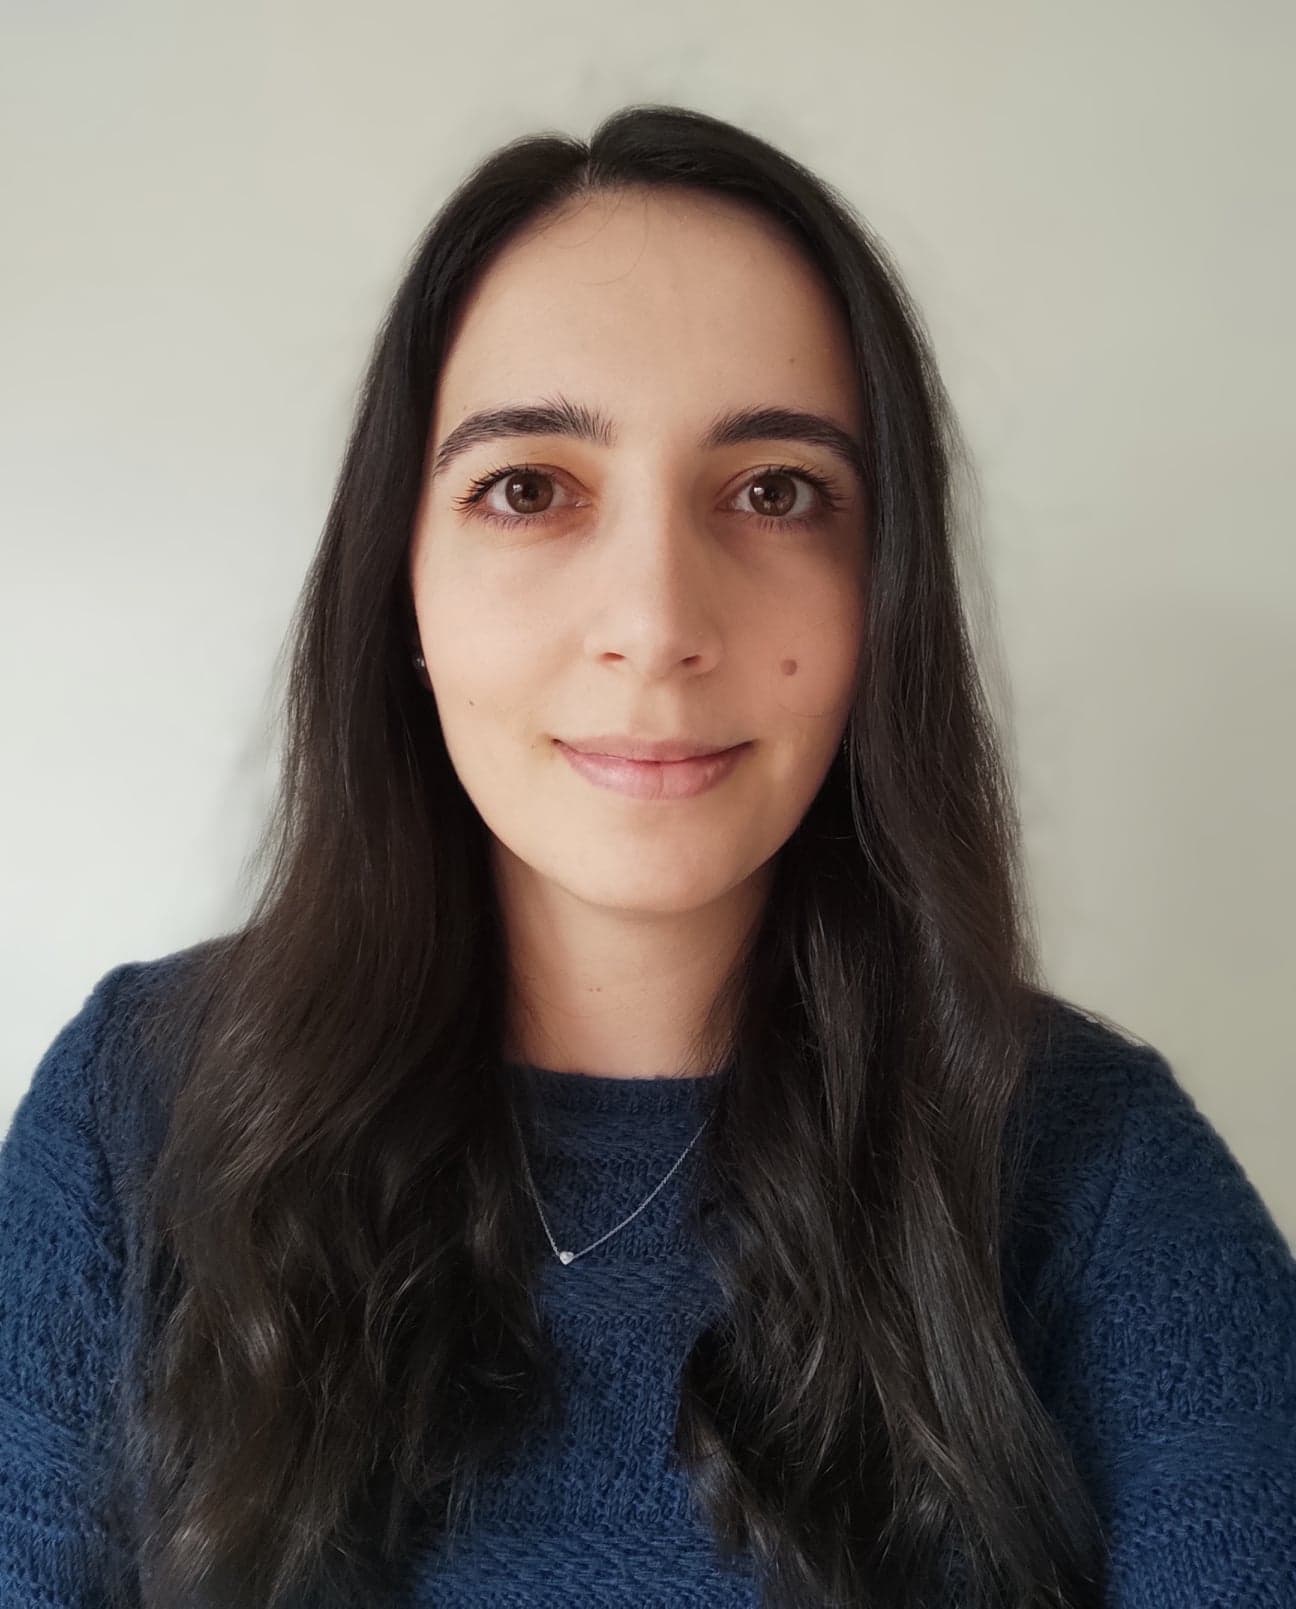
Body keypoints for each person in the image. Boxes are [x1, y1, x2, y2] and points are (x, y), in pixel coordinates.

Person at [2, 103, 1293, 1609]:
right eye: (528, 487)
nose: (657, 620)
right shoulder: (136, 1118)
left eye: (775, 490)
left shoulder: (1098, 1171)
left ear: (882, 598)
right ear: (401, 584)